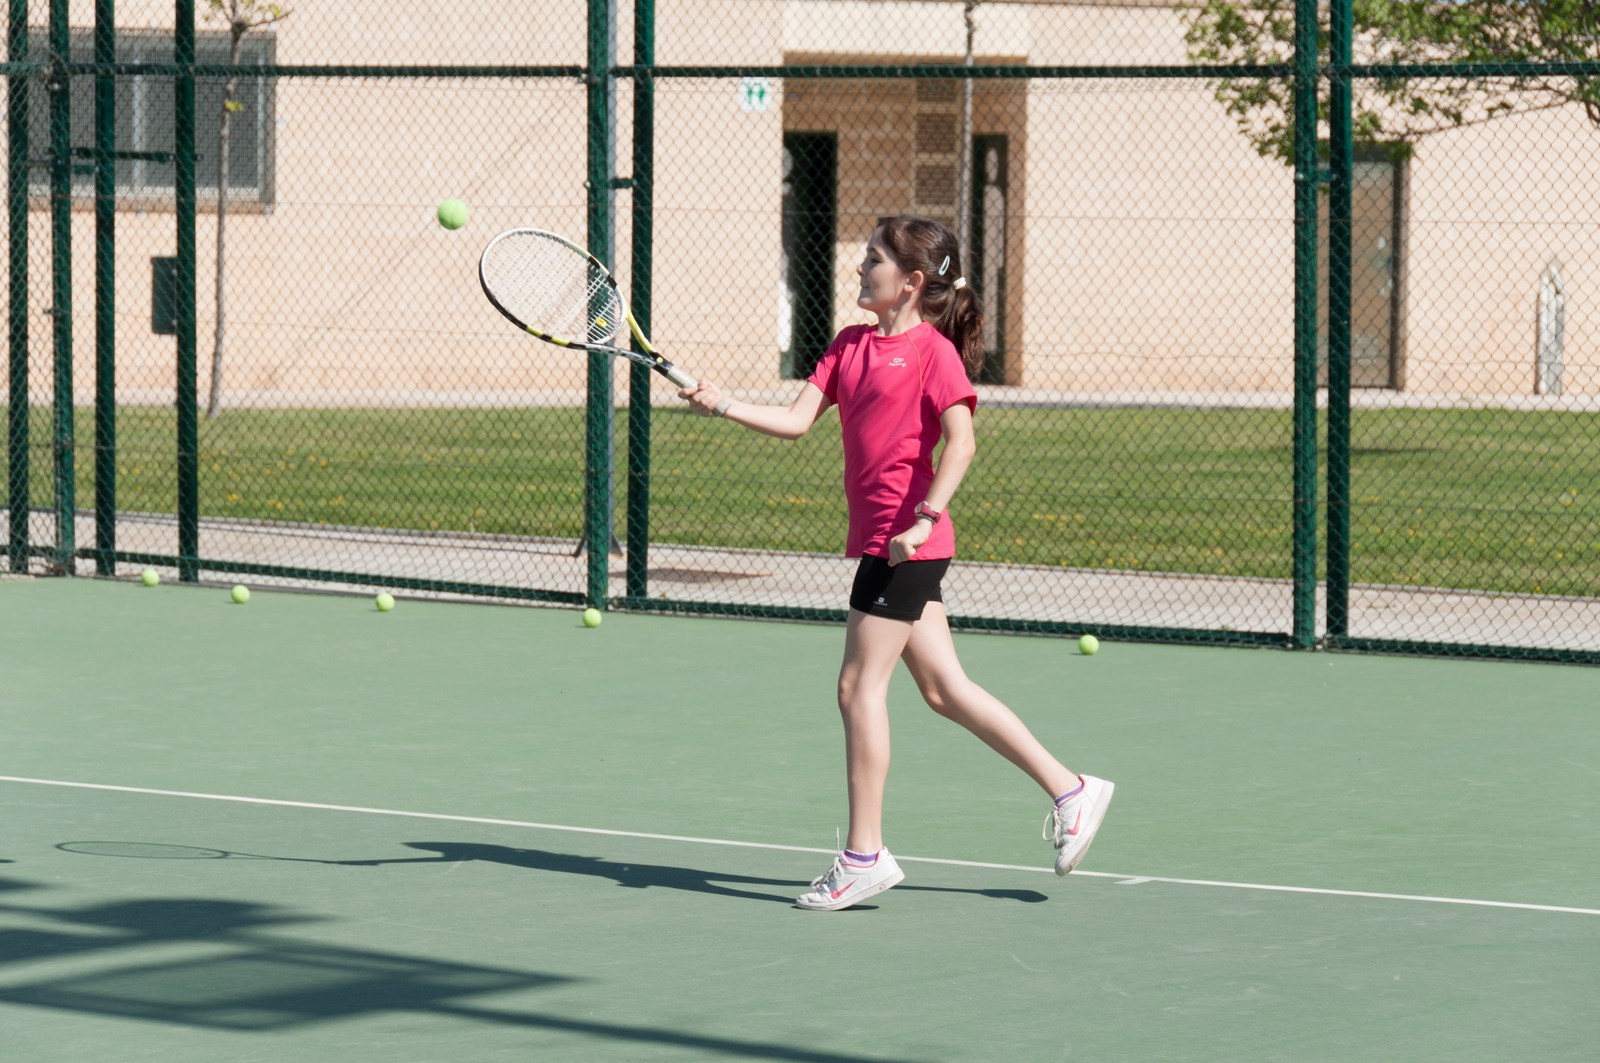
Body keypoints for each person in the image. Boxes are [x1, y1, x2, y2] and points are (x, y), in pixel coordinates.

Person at [679, 215, 1113, 911]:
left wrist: (924, 519)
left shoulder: (933, 353)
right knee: (944, 689)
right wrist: (722, 403)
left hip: (906, 545)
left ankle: (864, 855)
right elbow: (796, 422)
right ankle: (1072, 790)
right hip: (890, 541)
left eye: (874, 259)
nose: (860, 267)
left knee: (858, 688)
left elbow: (962, 444)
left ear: (910, 282)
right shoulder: (849, 345)